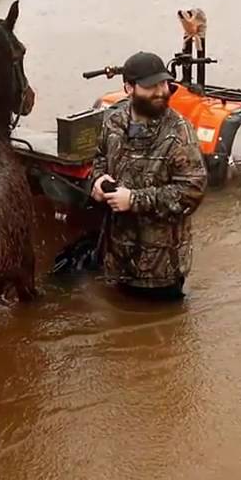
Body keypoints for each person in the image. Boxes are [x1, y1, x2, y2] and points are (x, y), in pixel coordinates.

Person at [90, 51, 208, 300]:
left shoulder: (179, 132)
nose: (161, 91)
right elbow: (99, 158)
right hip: (117, 260)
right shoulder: (113, 122)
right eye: (150, 86)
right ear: (129, 88)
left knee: (163, 334)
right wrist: (97, 181)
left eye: (164, 83)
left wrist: (134, 199)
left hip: (161, 269)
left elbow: (191, 192)